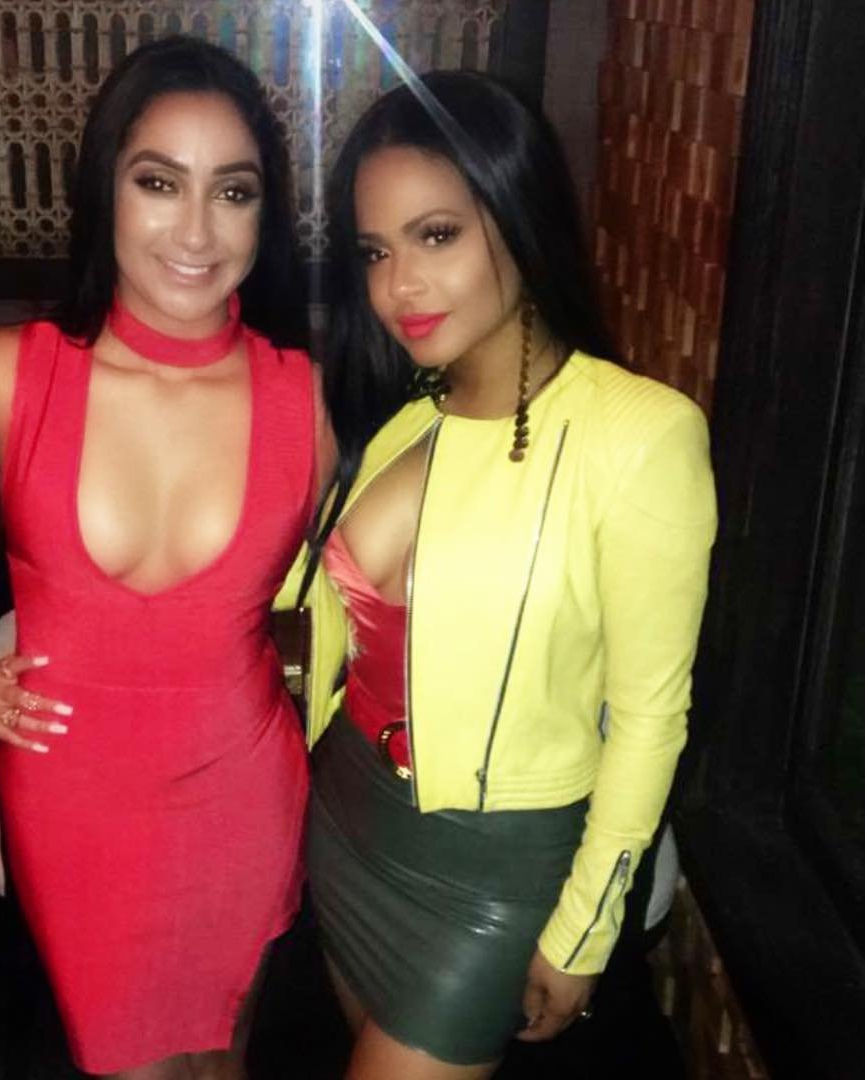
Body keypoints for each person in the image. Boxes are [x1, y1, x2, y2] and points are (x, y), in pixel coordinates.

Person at [0, 36, 331, 1080]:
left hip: (244, 795)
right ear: (104, 190)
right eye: (158, 182)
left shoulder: (304, 399)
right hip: (74, 805)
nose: (195, 229)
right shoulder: (5, 377)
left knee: (222, 1059)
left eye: (233, 191)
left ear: (264, 216)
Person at [288, 70, 717, 1079]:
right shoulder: (399, 418)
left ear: (518, 218)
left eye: (436, 236)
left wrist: (584, 929)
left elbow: (650, 716)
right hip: (345, 823)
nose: (399, 286)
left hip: (492, 875)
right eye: (376, 252)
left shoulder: (639, 435)